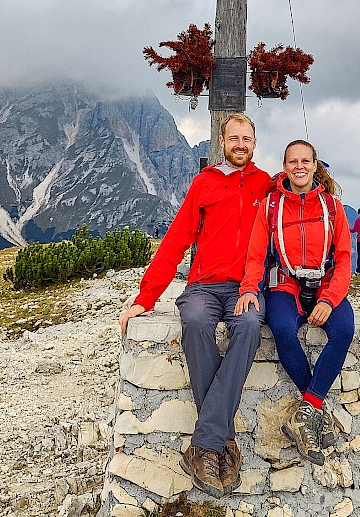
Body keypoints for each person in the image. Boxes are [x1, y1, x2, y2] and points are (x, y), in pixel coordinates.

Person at [119, 113, 270, 499]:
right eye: (233, 137)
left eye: (247, 138)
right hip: (203, 286)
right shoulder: (204, 183)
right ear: (221, 142)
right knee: (197, 323)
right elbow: (175, 240)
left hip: (245, 288)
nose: (240, 144)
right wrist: (144, 298)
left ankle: (204, 445)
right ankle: (222, 440)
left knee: (250, 325)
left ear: (254, 143)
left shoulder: (266, 185)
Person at [235, 139, 354, 466]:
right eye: (293, 162)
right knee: (283, 328)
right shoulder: (270, 206)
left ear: (316, 165)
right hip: (285, 282)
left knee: (344, 329)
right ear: (285, 167)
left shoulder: (332, 207)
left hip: (324, 283)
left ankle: (305, 411)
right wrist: (248, 289)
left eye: (305, 161)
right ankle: (314, 409)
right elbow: (257, 255)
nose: (299, 167)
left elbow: (344, 260)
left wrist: (329, 300)